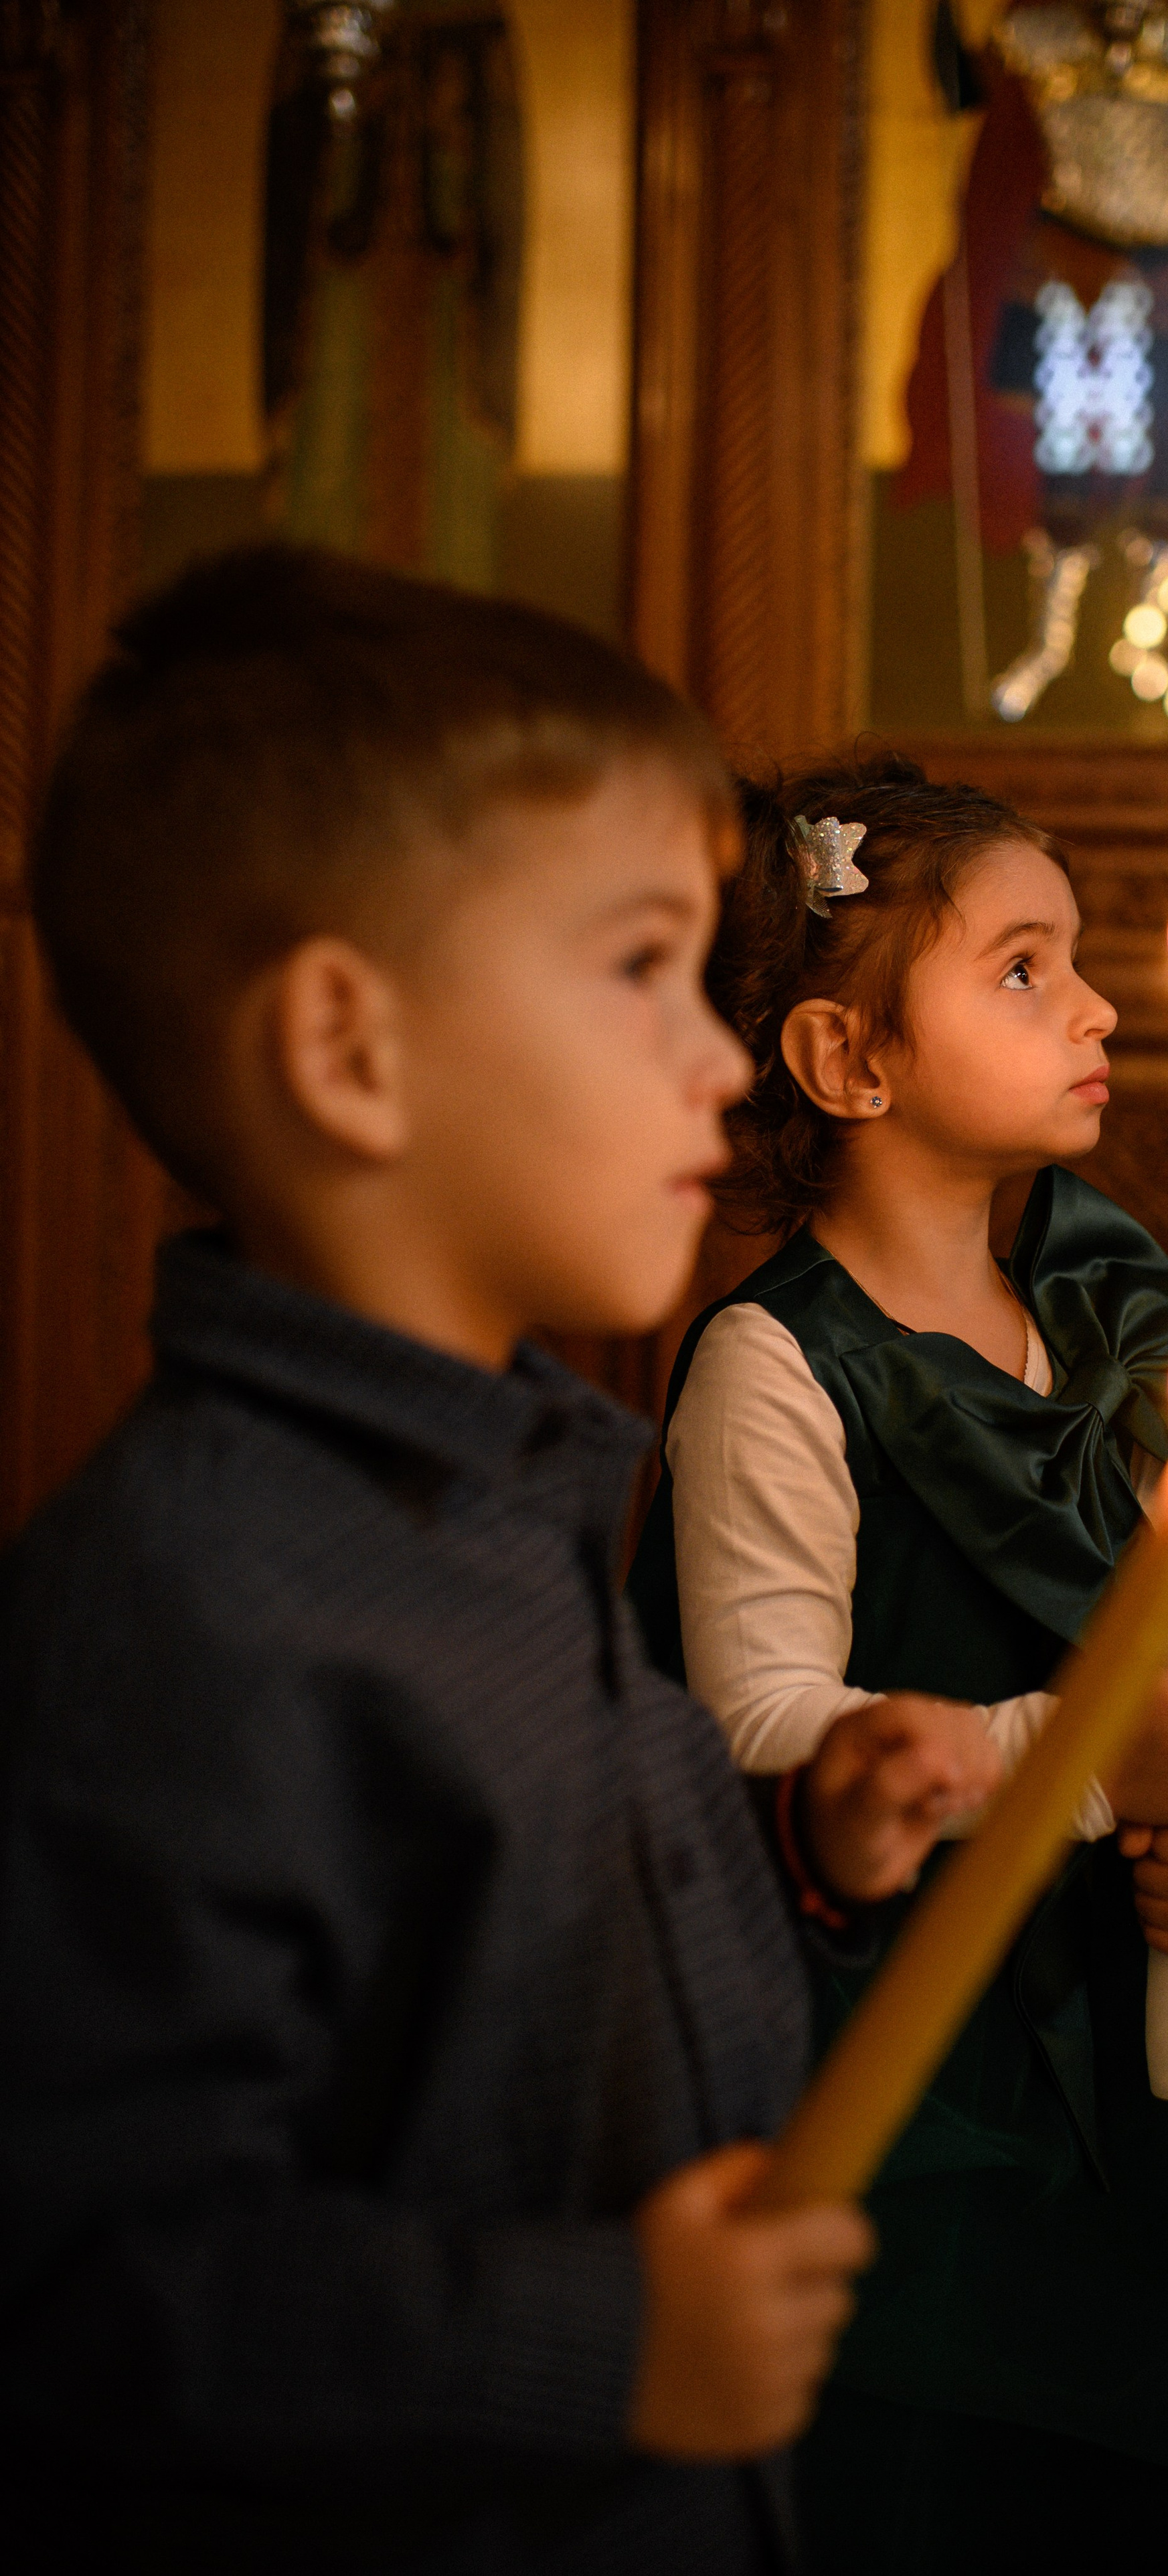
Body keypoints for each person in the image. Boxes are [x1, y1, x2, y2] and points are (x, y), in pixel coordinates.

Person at [0, 554, 1003, 2575]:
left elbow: (494, 1993)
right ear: (349, 1050)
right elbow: (78, 2301)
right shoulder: (185, 1614)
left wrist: (800, 1849)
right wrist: (602, 2342)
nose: (721, 1060)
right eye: (641, 966)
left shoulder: (504, 1489)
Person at [629, 753, 1168, 2575]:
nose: (1093, 1004)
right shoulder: (777, 1369)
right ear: (849, 1065)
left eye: (1079, 959)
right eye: (1022, 969)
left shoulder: (1099, 1304)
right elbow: (763, 1729)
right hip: (909, 2043)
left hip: (1124, 2019)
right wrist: (1097, 1766)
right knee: (947, 2483)